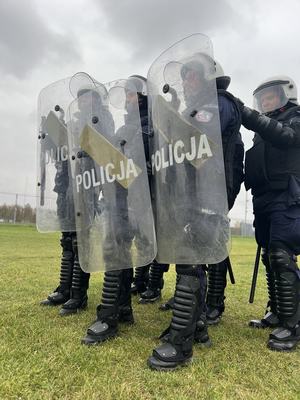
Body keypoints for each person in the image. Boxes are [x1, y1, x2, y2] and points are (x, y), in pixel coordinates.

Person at [147, 38, 233, 370]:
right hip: (189, 198)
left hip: (207, 199)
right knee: (190, 263)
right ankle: (196, 328)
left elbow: (205, 142)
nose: (187, 81)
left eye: (192, 76)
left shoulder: (216, 105)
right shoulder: (192, 109)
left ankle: (180, 345)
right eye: (184, 76)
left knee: (190, 266)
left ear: (208, 78)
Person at [81, 75, 155, 345]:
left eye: (132, 94)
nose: (127, 99)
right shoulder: (126, 128)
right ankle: (120, 311)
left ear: (145, 96)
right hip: (123, 201)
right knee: (117, 253)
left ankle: (109, 318)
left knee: (116, 253)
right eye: (126, 95)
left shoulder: (153, 126)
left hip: (146, 205)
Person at [242, 75, 300, 351]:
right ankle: (276, 311)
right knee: (268, 256)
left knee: (280, 253)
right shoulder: (260, 132)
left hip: (287, 196)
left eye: (270, 97)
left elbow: (286, 137)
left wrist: (249, 116)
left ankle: (292, 324)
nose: (265, 102)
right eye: (261, 99)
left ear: (285, 95)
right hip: (263, 197)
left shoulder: (295, 117)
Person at [39, 78, 90, 316]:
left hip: (84, 189)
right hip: (65, 188)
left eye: (86, 97)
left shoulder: (98, 121)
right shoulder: (72, 123)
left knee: (80, 242)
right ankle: (65, 288)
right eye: (79, 98)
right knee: (67, 240)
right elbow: (59, 155)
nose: (82, 102)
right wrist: (49, 134)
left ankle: (79, 294)